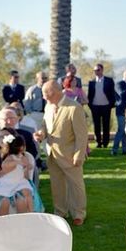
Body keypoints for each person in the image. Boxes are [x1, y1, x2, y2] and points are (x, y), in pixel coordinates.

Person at [35, 80, 88, 225]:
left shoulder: (74, 108)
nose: (44, 96)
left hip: (70, 155)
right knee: (57, 185)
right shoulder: (48, 107)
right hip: (52, 154)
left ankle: (78, 214)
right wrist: (41, 134)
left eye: (45, 92)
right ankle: (60, 212)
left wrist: (79, 155)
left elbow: (81, 135)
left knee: (76, 185)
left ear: (55, 91)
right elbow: (46, 126)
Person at [0, 133, 43, 220]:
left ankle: (31, 213)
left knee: (27, 193)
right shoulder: (9, 157)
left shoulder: (23, 156)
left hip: (20, 180)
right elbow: (4, 166)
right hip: (6, 180)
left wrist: (28, 166)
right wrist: (16, 163)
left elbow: (28, 166)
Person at [88, 63, 117, 150]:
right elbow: (90, 95)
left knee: (106, 125)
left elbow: (112, 93)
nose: (96, 72)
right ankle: (98, 142)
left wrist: (111, 104)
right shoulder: (92, 82)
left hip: (106, 106)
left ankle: (105, 142)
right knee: (96, 125)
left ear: (102, 70)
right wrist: (91, 105)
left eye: (98, 70)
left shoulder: (109, 80)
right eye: (95, 70)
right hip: (95, 106)